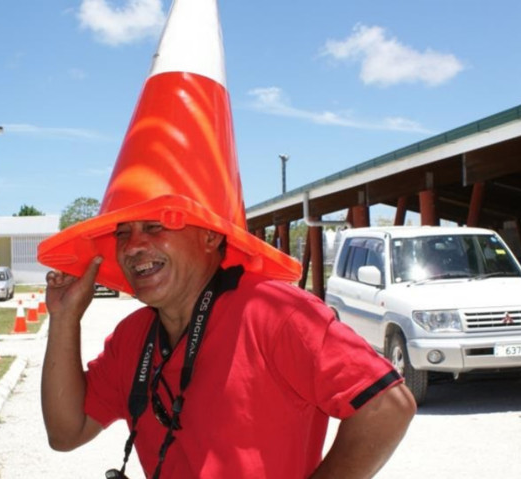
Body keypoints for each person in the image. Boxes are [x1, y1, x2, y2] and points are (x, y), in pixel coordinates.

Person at [38, 1, 415, 477]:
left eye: (156, 226)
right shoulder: (134, 337)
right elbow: (65, 434)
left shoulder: (275, 314)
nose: (134, 245)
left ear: (213, 237)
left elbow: (388, 405)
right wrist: (64, 319)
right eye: (123, 231)